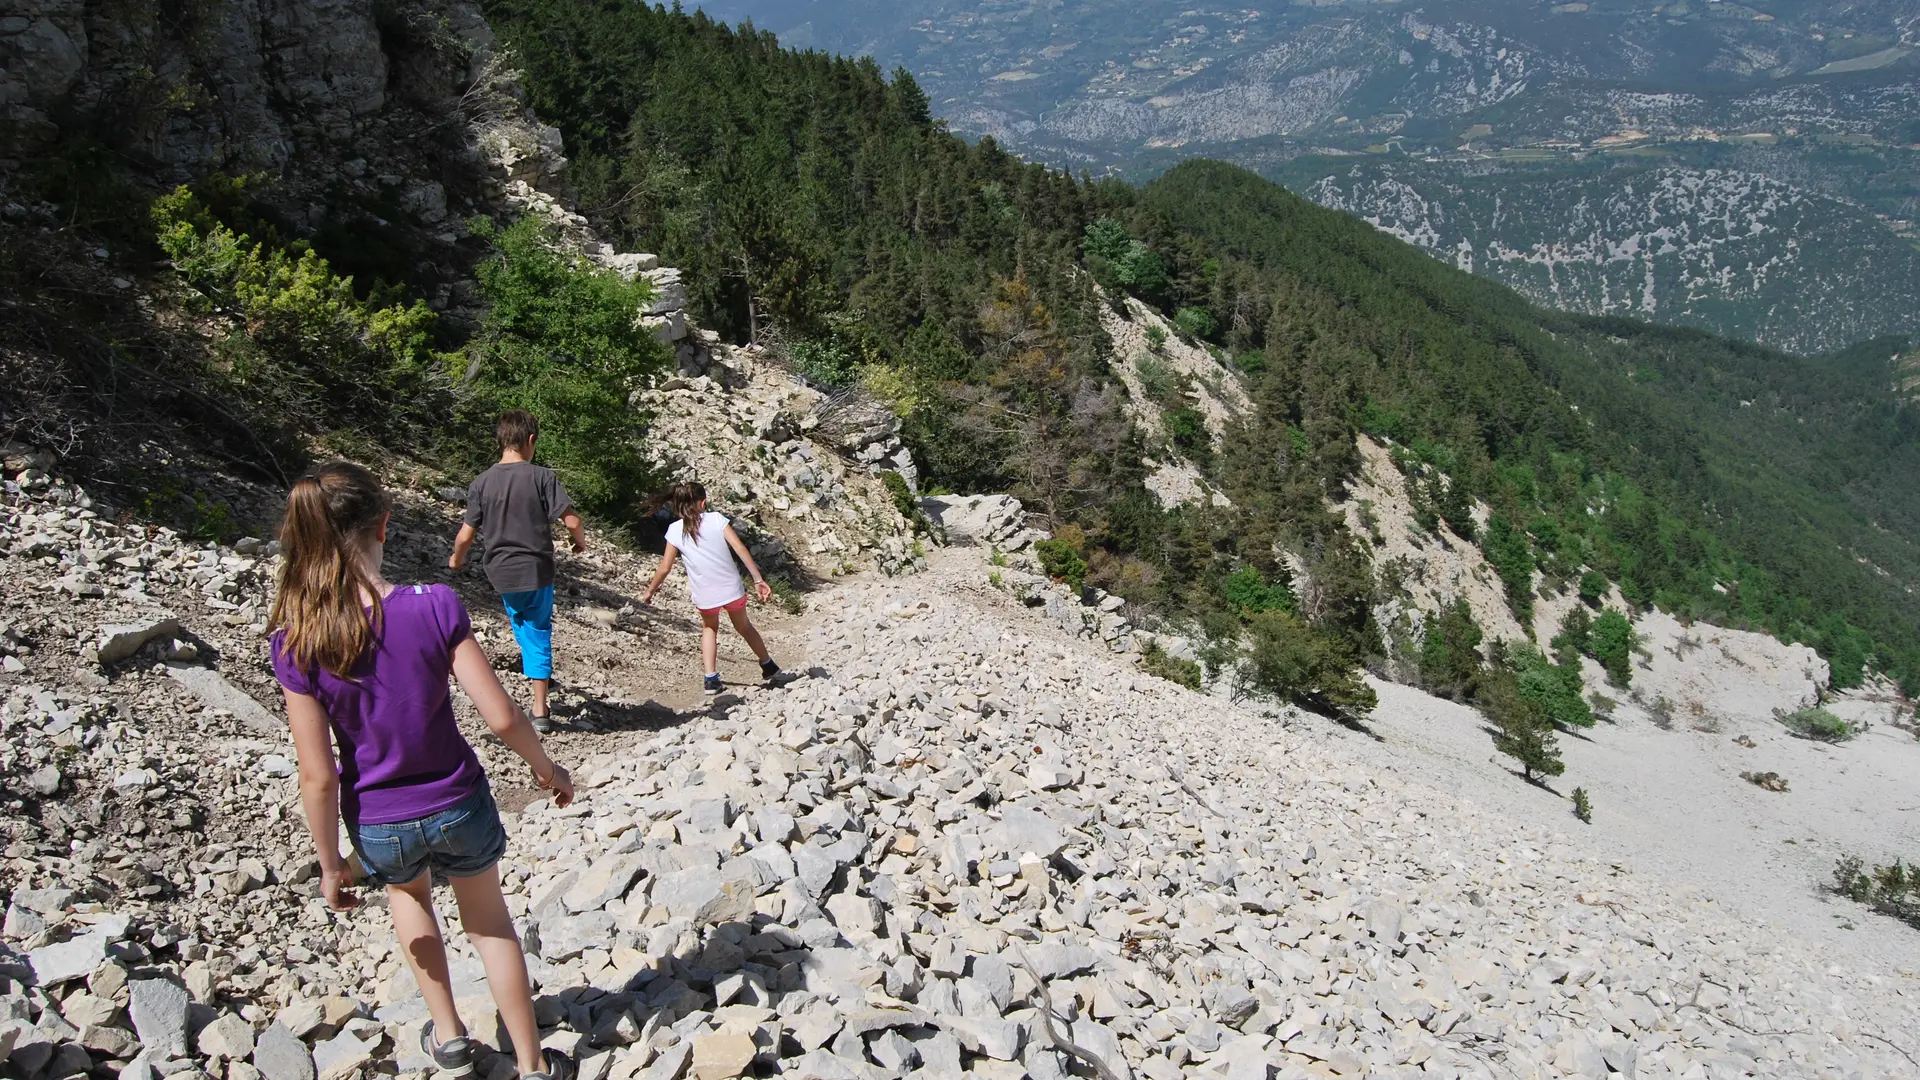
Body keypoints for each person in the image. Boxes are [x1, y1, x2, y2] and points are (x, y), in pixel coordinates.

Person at [270, 461, 575, 1080]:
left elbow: (318, 775)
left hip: (379, 819)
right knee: (489, 924)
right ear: (383, 526)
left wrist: (331, 864)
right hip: (458, 800)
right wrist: (548, 770)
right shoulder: (433, 604)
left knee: (408, 899)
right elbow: (501, 716)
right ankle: (533, 1062)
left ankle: (450, 1035)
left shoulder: (296, 639)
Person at [450, 411, 585, 732]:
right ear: (531, 441)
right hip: (536, 569)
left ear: (500, 441)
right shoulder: (542, 477)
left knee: (522, 622)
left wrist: (456, 559)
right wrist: (577, 542)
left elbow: (466, 534)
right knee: (538, 629)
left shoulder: (481, 482)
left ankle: (539, 672)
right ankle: (540, 707)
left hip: (501, 573)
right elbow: (573, 521)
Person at [640, 481, 781, 695]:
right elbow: (739, 548)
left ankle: (711, 679)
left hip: (705, 593)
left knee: (709, 629)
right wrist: (758, 579)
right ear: (703, 502)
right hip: (731, 588)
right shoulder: (716, 519)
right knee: (744, 626)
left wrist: (650, 591)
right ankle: (768, 664)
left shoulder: (674, 530)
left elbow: (665, 568)